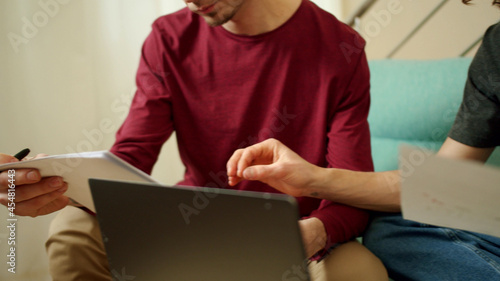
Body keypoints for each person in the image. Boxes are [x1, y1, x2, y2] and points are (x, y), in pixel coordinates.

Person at [0, 0, 388, 280]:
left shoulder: (340, 47)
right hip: (193, 223)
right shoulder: (168, 38)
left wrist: (312, 233)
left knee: (359, 271)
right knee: (72, 229)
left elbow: (351, 190)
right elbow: (131, 157)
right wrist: (65, 181)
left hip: (296, 234)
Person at [226, 1, 500, 280]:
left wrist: (321, 228)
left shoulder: (339, 45)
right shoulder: (495, 49)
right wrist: (312, 178)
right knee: (389, 229)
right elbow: (441, 183)